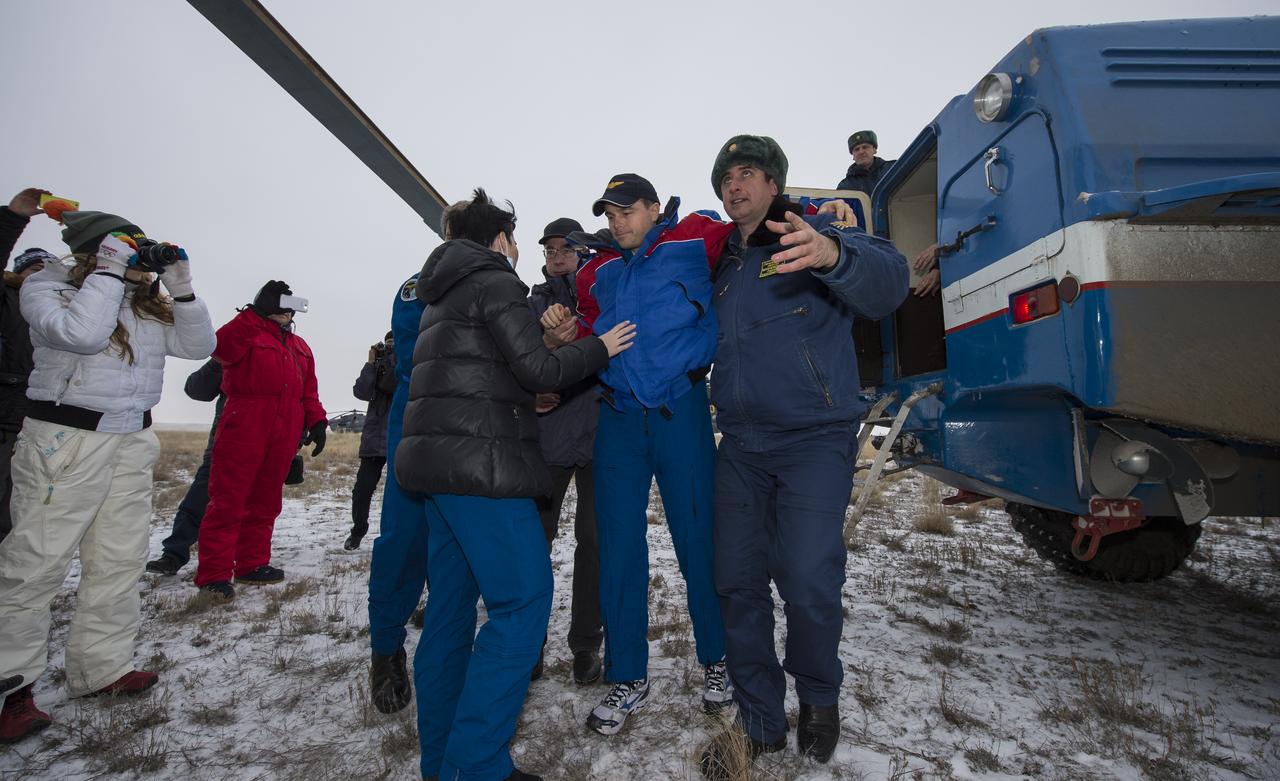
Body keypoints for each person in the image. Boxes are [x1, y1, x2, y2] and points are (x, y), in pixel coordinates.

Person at [395, 189, 635, 781]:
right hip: (482, 469)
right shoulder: (497, 280)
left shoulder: (442, 293)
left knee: (450, 613)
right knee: (523, 603)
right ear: (501, 239)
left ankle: (443, 761)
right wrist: (597, 347)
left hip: (436, 471)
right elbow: (537, 370)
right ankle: (477, 766)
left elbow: (490, 372)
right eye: (518, 238)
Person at [698, 135, 908, 776]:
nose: (736, 186)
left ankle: (819, 697)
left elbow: (889, 283)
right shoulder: (723, 265)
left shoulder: (811, 231)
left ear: (773, 183)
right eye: (726, 177)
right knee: (734, 581)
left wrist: (831, 254)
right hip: (739, 445)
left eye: (749, 174)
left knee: (809, 576)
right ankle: (759, 717)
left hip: (814, 437)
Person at [0, 208, 215, 743]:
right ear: (97, 252)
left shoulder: (145, 305)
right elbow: (82, 335)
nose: (141, 262)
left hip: (129, 440)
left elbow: (198, 347)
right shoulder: (47, 289)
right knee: (35, 564)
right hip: (65, 441)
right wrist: (109, 273)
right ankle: (10, 688)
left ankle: (100, 669)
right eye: (128, 249)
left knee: (117, 560)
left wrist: (181, 289)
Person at [548, 174, 737, 736]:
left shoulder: (692, 237)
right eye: (609, 214)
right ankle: (628, 674)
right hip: (619, 418)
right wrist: (564, 334)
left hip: (680, 410)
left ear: (654, 208)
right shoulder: (595, 268)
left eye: (627, 211)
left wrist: (826, 215)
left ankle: (718, 661)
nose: (617, 222)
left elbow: (760, 223)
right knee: (617, 548)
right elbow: (589, 327)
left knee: (698, 540)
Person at [193, 281, 326, 600]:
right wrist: (254, 312)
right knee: (228, 499)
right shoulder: (247, 332)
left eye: (291, 305)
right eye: (281, 304)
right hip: (245, 423)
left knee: (266, 500)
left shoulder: (300, 346)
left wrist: (318, 421)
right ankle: (214, 573)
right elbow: (218, 347)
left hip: (285, 429)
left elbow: (309, 391)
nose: (288, 311)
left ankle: (252, 564)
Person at [527, 217, 603, 685]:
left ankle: (585, 645)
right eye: (550, 249)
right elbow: (517, 359)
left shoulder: (602, 290)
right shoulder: (530, 301)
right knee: (536, 544)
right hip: (549, 438)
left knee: (594, 544)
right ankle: (528, 643)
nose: (557, 255)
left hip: (598, 436)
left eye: (566, 248)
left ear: (584, 252)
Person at [1, 188, 57, 544]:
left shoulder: (57, 312)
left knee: (23, 508)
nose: (43, 277)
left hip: (41, 418)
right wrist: (12, 219)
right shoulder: (7, 299)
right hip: (5, 413)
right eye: (36, 269)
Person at [345, 331, 397, 550]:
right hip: (375, 439)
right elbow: (362, 392)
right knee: (362, 490)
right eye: (387, 344)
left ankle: (395, 537)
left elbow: (394, 385)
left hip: (399, 437)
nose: (390, 347)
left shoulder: (409, 360)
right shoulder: (376, 365)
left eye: (394, 343)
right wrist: (371, 363)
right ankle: (358, 531)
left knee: (398, 495)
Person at [837, 130, 895, 194]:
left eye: (865, 147)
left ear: (874, 150)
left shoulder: (893, 169)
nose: (861, 152)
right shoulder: (846, 186)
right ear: (853, 156)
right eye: (856, 149)